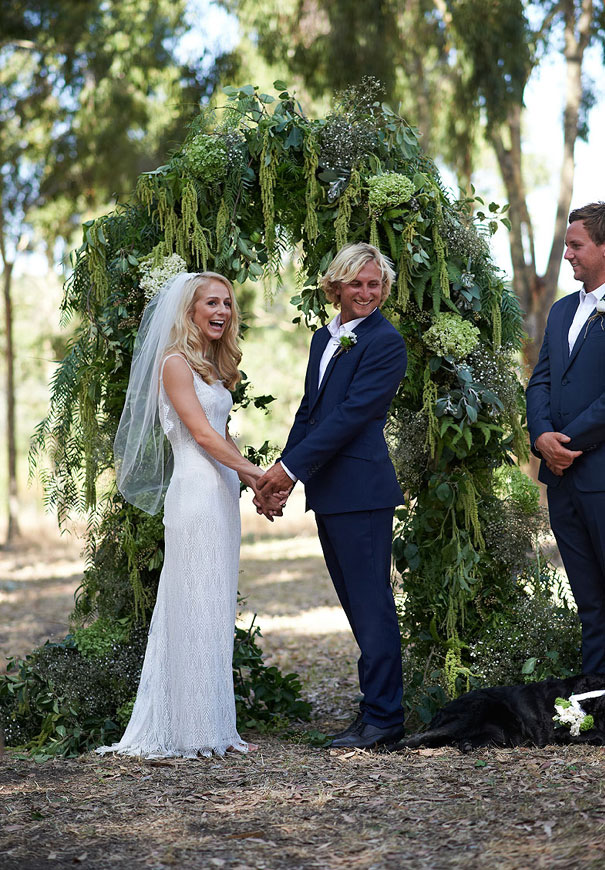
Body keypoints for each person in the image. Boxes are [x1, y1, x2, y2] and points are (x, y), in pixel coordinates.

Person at [97, 271, 281, 758]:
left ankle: (212, 724)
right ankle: (190, 729)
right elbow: (201, 436)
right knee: (193, 601)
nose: (221, 311)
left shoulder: (212, 369)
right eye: (211, 304)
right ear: (190, 312)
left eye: (227, 304)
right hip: (195, 495)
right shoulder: (175, 364)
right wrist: (260, 475)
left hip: (220, 494)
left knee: (215, 603)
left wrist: (253, 485)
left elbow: (223, 433)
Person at [256, 243, 408, 749]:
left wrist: (287, 470)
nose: (367, 293)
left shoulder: (386, 342)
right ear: (336, 286)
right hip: (330, 490)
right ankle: (372, 713)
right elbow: (311, 413)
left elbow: (351, 416)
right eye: (357, 283)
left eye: (375, 285)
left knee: (371, 606)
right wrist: (281, 479)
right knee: (356, 605)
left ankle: (385, 719)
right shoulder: (325, 336)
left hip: (362, 490)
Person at [527, 202, 605, 675]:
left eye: (576, 246)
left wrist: (565, 442)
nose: (568, 256)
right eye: (566, 246)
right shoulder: (560, 312)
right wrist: (540, 437)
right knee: (589, 600)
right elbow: (541, 381)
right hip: (562, 482)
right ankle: (597, 702)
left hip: (599, 473)